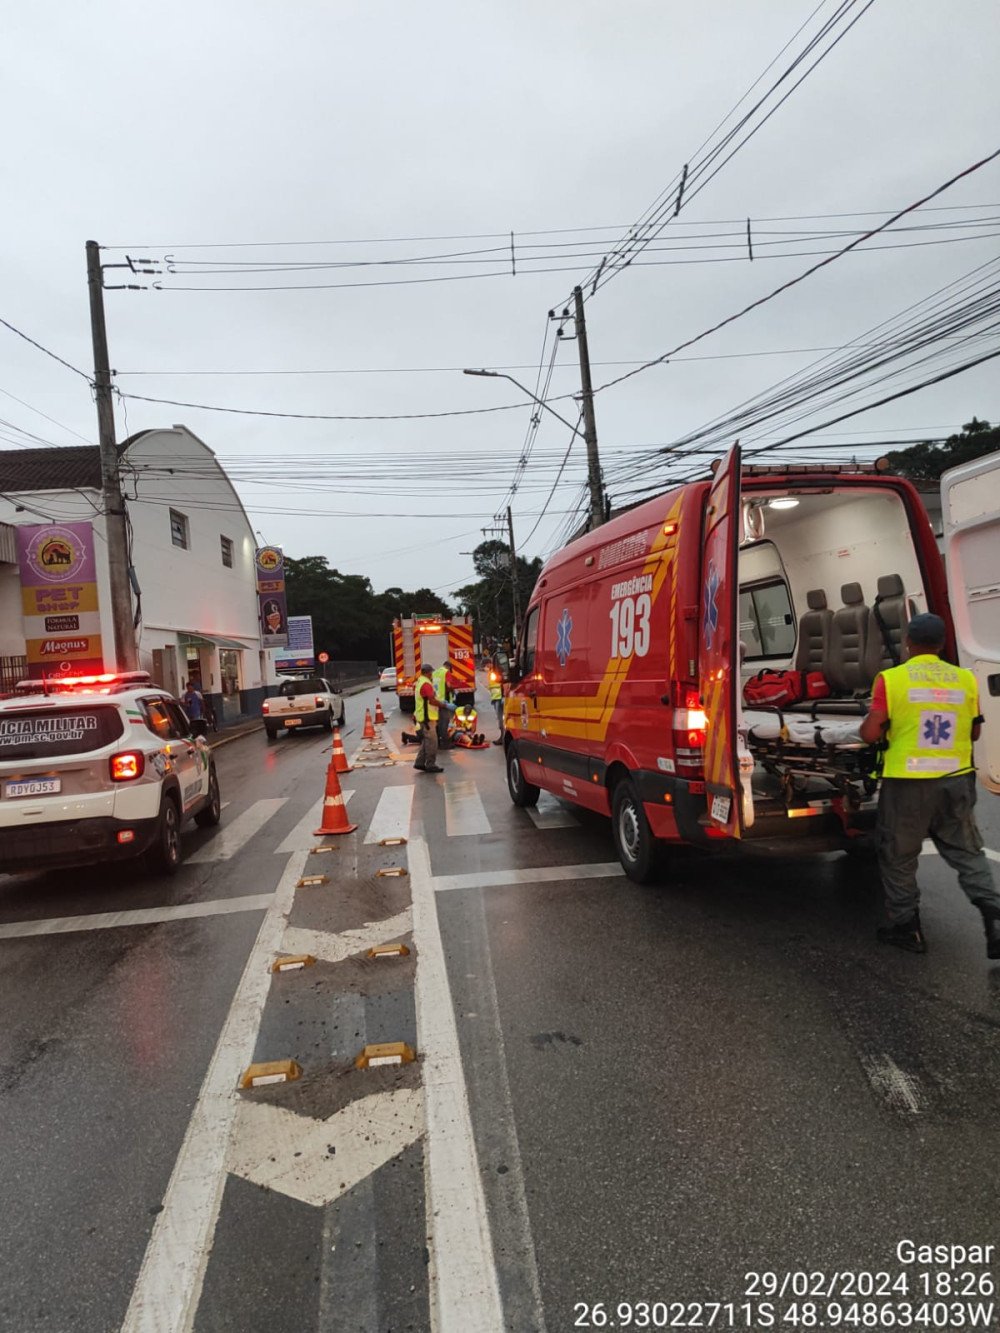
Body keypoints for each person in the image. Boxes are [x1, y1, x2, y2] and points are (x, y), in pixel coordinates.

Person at [860, 612, 1000, 957]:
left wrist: (876, 727)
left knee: (899, 855)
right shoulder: (965, 679)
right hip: (956, 781)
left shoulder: (892, 680)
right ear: (941, 644)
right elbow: (975, 730)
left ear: (908, 642)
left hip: (908, 784)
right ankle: (995, 918)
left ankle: (907, 929)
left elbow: (871, 733)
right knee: (967, 852)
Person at [412, 663, 444, 774]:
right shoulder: (426, 684)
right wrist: (442, 705)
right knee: (432, 743)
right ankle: (431, 764)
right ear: (428, 672)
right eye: (431, 672)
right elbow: (431, 700)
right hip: (427, 719)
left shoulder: (420, 682)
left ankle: (419, 762)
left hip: (423, 718)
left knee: (426, 742)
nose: (432, 674)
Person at [488, 663, 505, 745]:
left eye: (487, 665)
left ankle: (503, 737)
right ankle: (502, 737)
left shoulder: (497, 671)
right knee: (500, 719)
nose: (487, 667)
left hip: (499, 698)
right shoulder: (492, 672)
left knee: (501, 719)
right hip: (496, 698)